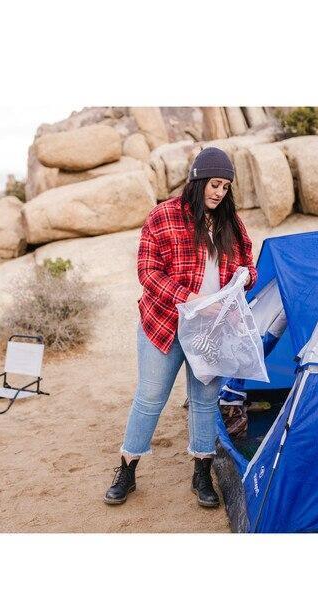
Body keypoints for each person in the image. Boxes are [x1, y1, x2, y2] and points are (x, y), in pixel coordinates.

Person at [103, 147, 257, 508]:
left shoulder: (230, 222)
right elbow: (148, 272)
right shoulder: (163, 216)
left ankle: (201, 473)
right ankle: (127, 469)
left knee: (205, 403)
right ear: (197, 180)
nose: (220, 192)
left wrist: (244, 279)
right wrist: (190, 299)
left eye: (225, 186)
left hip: (210, 331)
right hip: (164, 324)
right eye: (214, 184)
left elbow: (249, 264)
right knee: (150, 397)